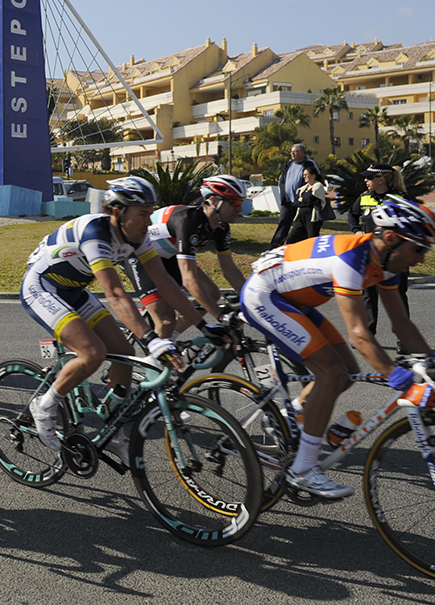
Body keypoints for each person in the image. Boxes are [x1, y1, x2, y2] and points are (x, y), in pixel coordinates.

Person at [241, 197, 435, 498]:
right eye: (419, 249)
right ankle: (302, 470)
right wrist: (401, 380)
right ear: (393, 239)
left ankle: (285, 416)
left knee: (346, 373)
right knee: (331, 372)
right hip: (265, 296)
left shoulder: (386, 262)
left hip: (294, 301)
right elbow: (358, 335)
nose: (422, 258)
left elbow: (402, 325)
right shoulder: (352, 257)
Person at [21, 176, 232, 461]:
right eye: (143, 214)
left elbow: (167, 284)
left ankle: (112, 426)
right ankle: (44, 406)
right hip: (42, 287)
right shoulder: (96, 233)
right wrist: (152, 340)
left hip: (73, 291)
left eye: (150, 213)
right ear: (118, 212)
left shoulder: (138, 237)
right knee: (92, 353)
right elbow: (116, 293)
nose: (149, 221)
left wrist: (204, 325)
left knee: (123, 353)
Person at [120, 175, 248, 341]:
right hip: (135, 253)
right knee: (166, 319)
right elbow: (189, 280)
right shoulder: (188, 221)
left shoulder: (221, 227)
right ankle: (158, 359)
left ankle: (170, 339)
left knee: (211, 293)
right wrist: (220, 316)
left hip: (166, 255)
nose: (240, 209)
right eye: (235, 203)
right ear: (214, 202)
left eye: (241, 203)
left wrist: (253, 300)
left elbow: (230, 270)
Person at [346, 163, 410, 339]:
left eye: (369, 177)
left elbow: (411, 225)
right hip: (370, 256)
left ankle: (404, 340)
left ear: (381, 179)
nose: (365, 180)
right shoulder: (365, 197)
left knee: (398, 299)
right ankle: (368, 335)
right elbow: (352, 214)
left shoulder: (400, 198)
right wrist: (356, 230)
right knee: (368, 297)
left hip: (395, 257)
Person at [270, 144, 318, 248]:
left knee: (301, 226)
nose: (292, 154)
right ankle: (275, 247)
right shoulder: (288, 163)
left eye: (295, 151)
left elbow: (315, 180)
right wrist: (283, 193)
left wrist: (306, 195)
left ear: (302, 153)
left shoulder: (309, 164)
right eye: (291, 152)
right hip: (287, 201)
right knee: (283, 223)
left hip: (301, 202)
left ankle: (303, 247)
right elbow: (282, 179)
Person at [285, 164, 328, 244]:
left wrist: (303, 200)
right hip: (301, 218)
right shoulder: (303, 188)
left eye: (306, 175)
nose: (304, 176)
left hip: (312, 218)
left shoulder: (318, 187)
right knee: (291, 238)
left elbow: (311, 199)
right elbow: (296, 202)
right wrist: (304, 201)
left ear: (313, 175)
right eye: (303, 175)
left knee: (312, 239)